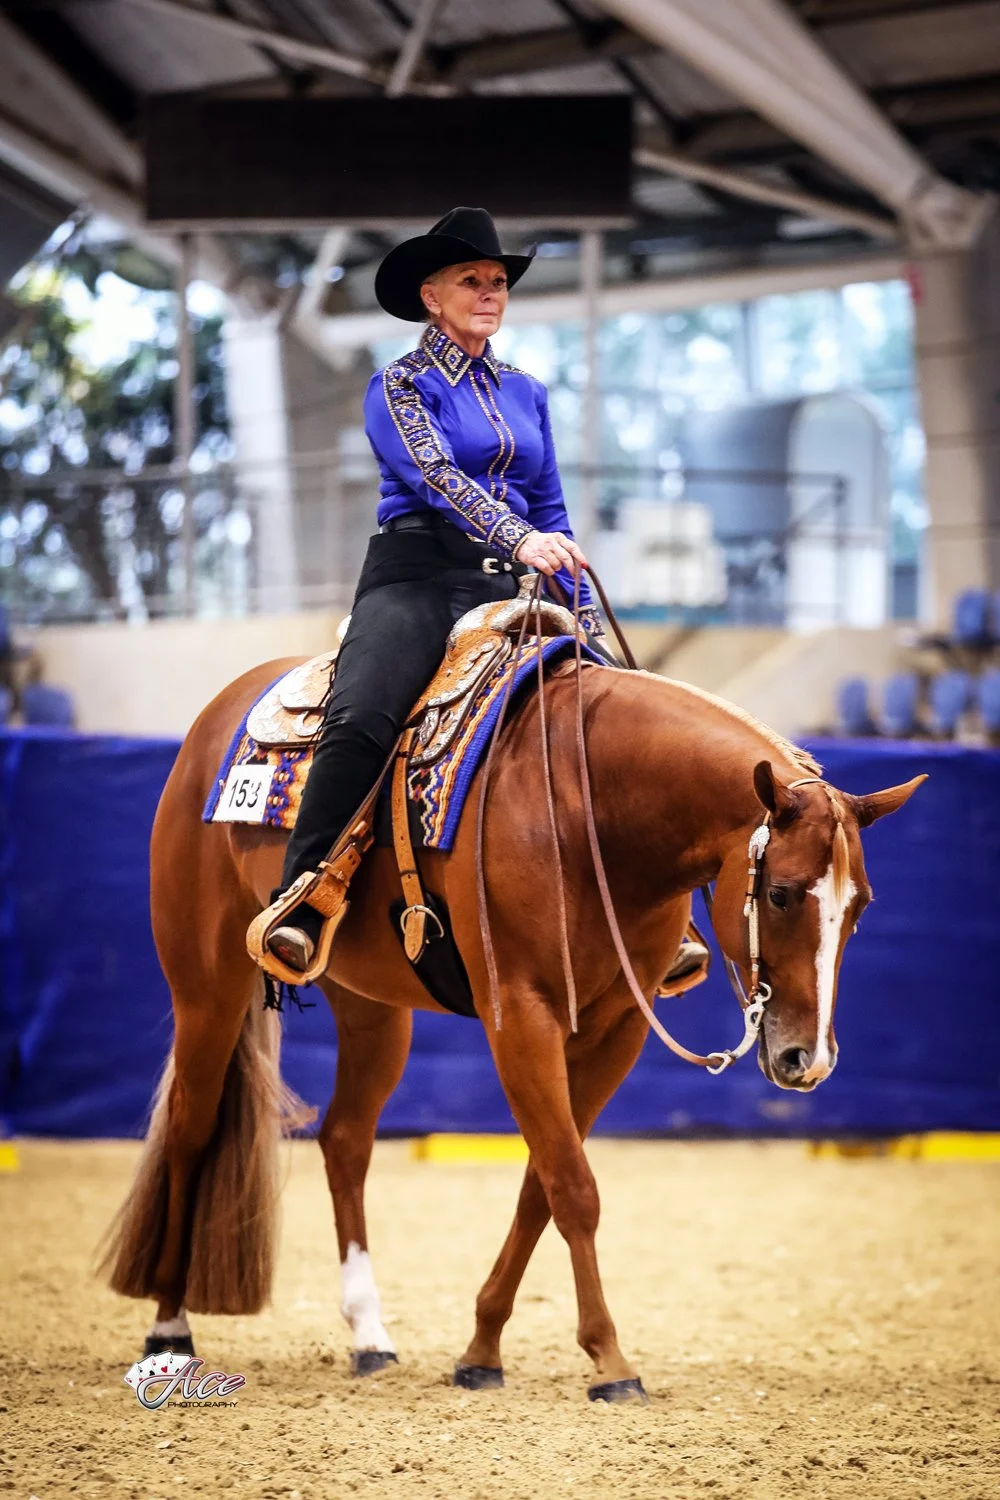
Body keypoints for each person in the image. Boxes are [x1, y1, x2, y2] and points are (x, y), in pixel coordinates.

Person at [262, 207, 706, 985]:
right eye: (472, 279)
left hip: (517, 582)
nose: (490, 291)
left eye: (498, 280)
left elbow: (553, 504)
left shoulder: (527, 391)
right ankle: (304, 892)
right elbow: (433, 476)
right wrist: (518, 538)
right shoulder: (398, 385)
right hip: (419, 578)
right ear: (432, 296)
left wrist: (584, 610)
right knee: (364, 711)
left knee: (624, 720)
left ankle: (663, 922)